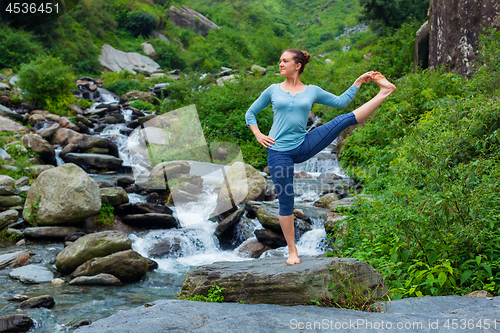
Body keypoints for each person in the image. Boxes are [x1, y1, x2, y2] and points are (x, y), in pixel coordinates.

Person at [245, 49, 396, 265]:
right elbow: (250, 113)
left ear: (297, 66)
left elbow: (342, 101)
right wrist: (258, 134)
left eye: (285, 61)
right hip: (278, 152)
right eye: (280, 61)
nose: (280, 64)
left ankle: (384, 92)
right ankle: (292, 252)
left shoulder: (312, 91)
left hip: (304, 145)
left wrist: (357, 83)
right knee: (286, 202)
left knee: (344, 119)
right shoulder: (272, 90)